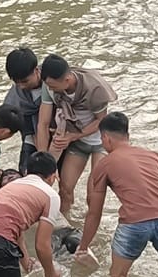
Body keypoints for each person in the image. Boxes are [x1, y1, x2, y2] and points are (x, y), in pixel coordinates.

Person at [79, 112, 158, 277]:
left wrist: (83, 246)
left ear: (106, 138)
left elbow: (94, 212)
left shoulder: (104, 165)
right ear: (128, 135)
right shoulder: (155, 156)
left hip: (133, 224)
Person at [38, 54, 117, 216]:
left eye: (53, 86)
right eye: (48, 86)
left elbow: (102, 121)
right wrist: (42, 159)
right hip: (76, 141)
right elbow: (43, 123)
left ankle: (92, 234)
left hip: (100, 141)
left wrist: (73, 137)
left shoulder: (94, 89)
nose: (50, 89)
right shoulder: (49, 87)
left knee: (93, 194)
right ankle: (67, 224)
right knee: (65, 188)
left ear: (67, 80)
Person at [3, 47, 45, 170]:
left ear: (36, 70)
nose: (21, 86)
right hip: (31, 135)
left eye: (25, 81)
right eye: (17, 82)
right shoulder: (14, 97)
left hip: (59, 135)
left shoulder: (53, 82)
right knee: (25, 172)